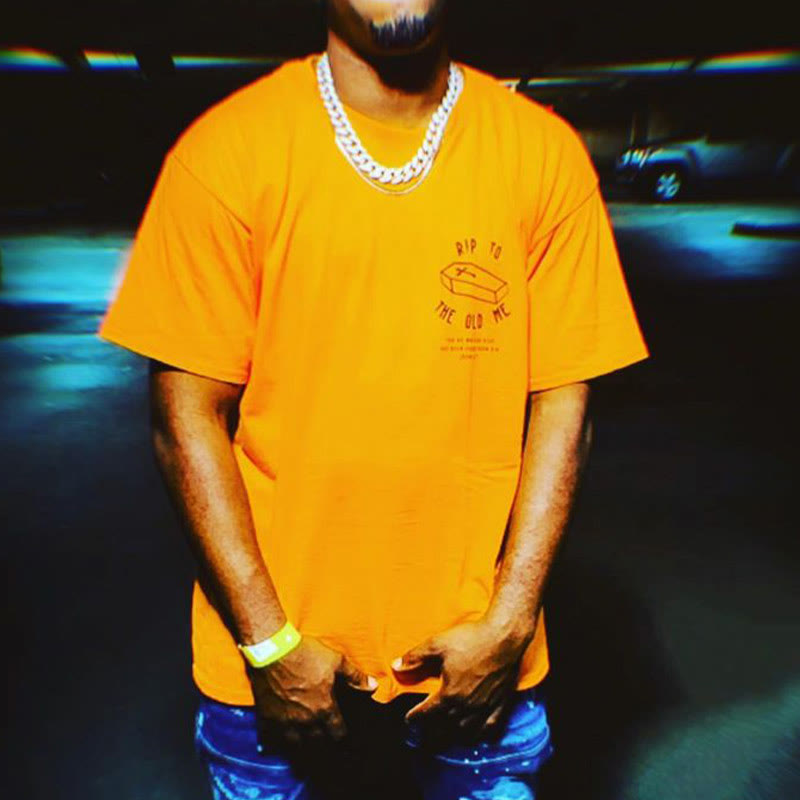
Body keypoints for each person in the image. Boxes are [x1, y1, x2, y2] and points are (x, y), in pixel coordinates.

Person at [99, 1, 649, 797]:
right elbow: (185, 418)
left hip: (479, 650)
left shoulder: (541, 154)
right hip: (271, 659)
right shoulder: (227, 152)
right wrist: (269, 645)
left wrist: (509, 623)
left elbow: (565, 403)